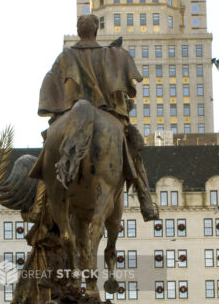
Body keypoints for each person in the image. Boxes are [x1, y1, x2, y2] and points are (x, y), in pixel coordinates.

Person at [35, 13, 158, 221]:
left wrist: (59, 112)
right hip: (106, 112)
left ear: (78, 32)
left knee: (49, 151)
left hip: (70, 113)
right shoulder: (111, 54)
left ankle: (40, 204)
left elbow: (50, 86)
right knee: (134, 152)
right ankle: (145, 200)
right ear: (96, 31)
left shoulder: (65, 56)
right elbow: (120, 91)